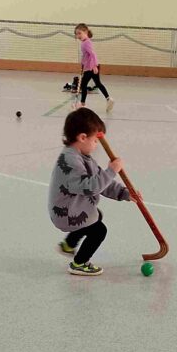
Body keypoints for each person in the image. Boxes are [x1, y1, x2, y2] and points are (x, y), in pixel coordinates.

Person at [48, 108, 131, 276]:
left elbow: (101, 181)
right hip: (66, 214)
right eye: (95, 140)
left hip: (73, 209)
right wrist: (112, 170)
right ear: (82, 137)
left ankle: (69, 244)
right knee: (99, 231)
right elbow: (92, 187)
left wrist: (124, 193)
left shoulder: (82, 157)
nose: (96, 145)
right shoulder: (71, 161)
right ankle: (79, 263)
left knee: (97, 215)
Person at [74, 24, 115, 112]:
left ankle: (82, 104)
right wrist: (83, 65)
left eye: (79, 33)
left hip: (91, 68)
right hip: (90, 67)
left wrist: (94, 66)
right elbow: (86, 56)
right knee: (98, 83)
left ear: (85, 32)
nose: (78, 36)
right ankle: (108, 99)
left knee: (83, 84)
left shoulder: (86, 43)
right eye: (76, 34)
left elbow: (92, 54)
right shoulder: (86, 42)